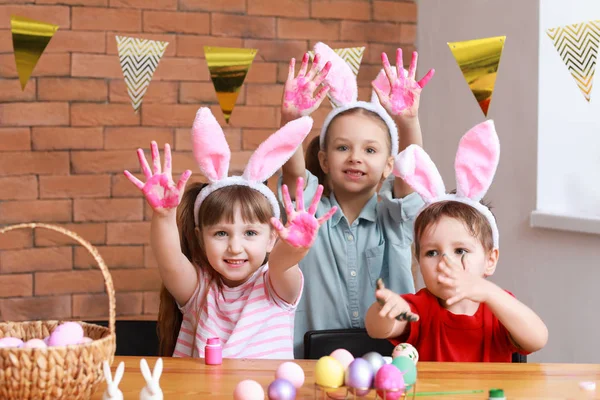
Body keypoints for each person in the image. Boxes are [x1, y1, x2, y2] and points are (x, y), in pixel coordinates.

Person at [124, 108, 336, 359]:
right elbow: (169, 259)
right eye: (221, 234)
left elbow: (281, 265)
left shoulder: (274, 286)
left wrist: (295, 247)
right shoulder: (200, 290)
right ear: (200, 238)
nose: (235, 247)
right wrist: (163, 216)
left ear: (271, 238)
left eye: (250, 233)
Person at [278, 42, 435, 357]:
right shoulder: (307, 212)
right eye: (342, 148)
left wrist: (407, 120)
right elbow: (294, 173)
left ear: (389, 165)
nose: (355, 158)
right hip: (311, 361)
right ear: (323, 161)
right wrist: (291, 118)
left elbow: (412, 167)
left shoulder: (395, 218)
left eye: (370, 150)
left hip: (390, 360)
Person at [365, 120, 548, 361]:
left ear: (490, 260)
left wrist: (489, 293)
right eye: (431, 253)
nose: (445, 262)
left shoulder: (497, 308)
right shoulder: (421, 307)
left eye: (460, 250)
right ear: (418, 260)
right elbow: (378, 328)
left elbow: (538, 338)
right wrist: (386, 309)